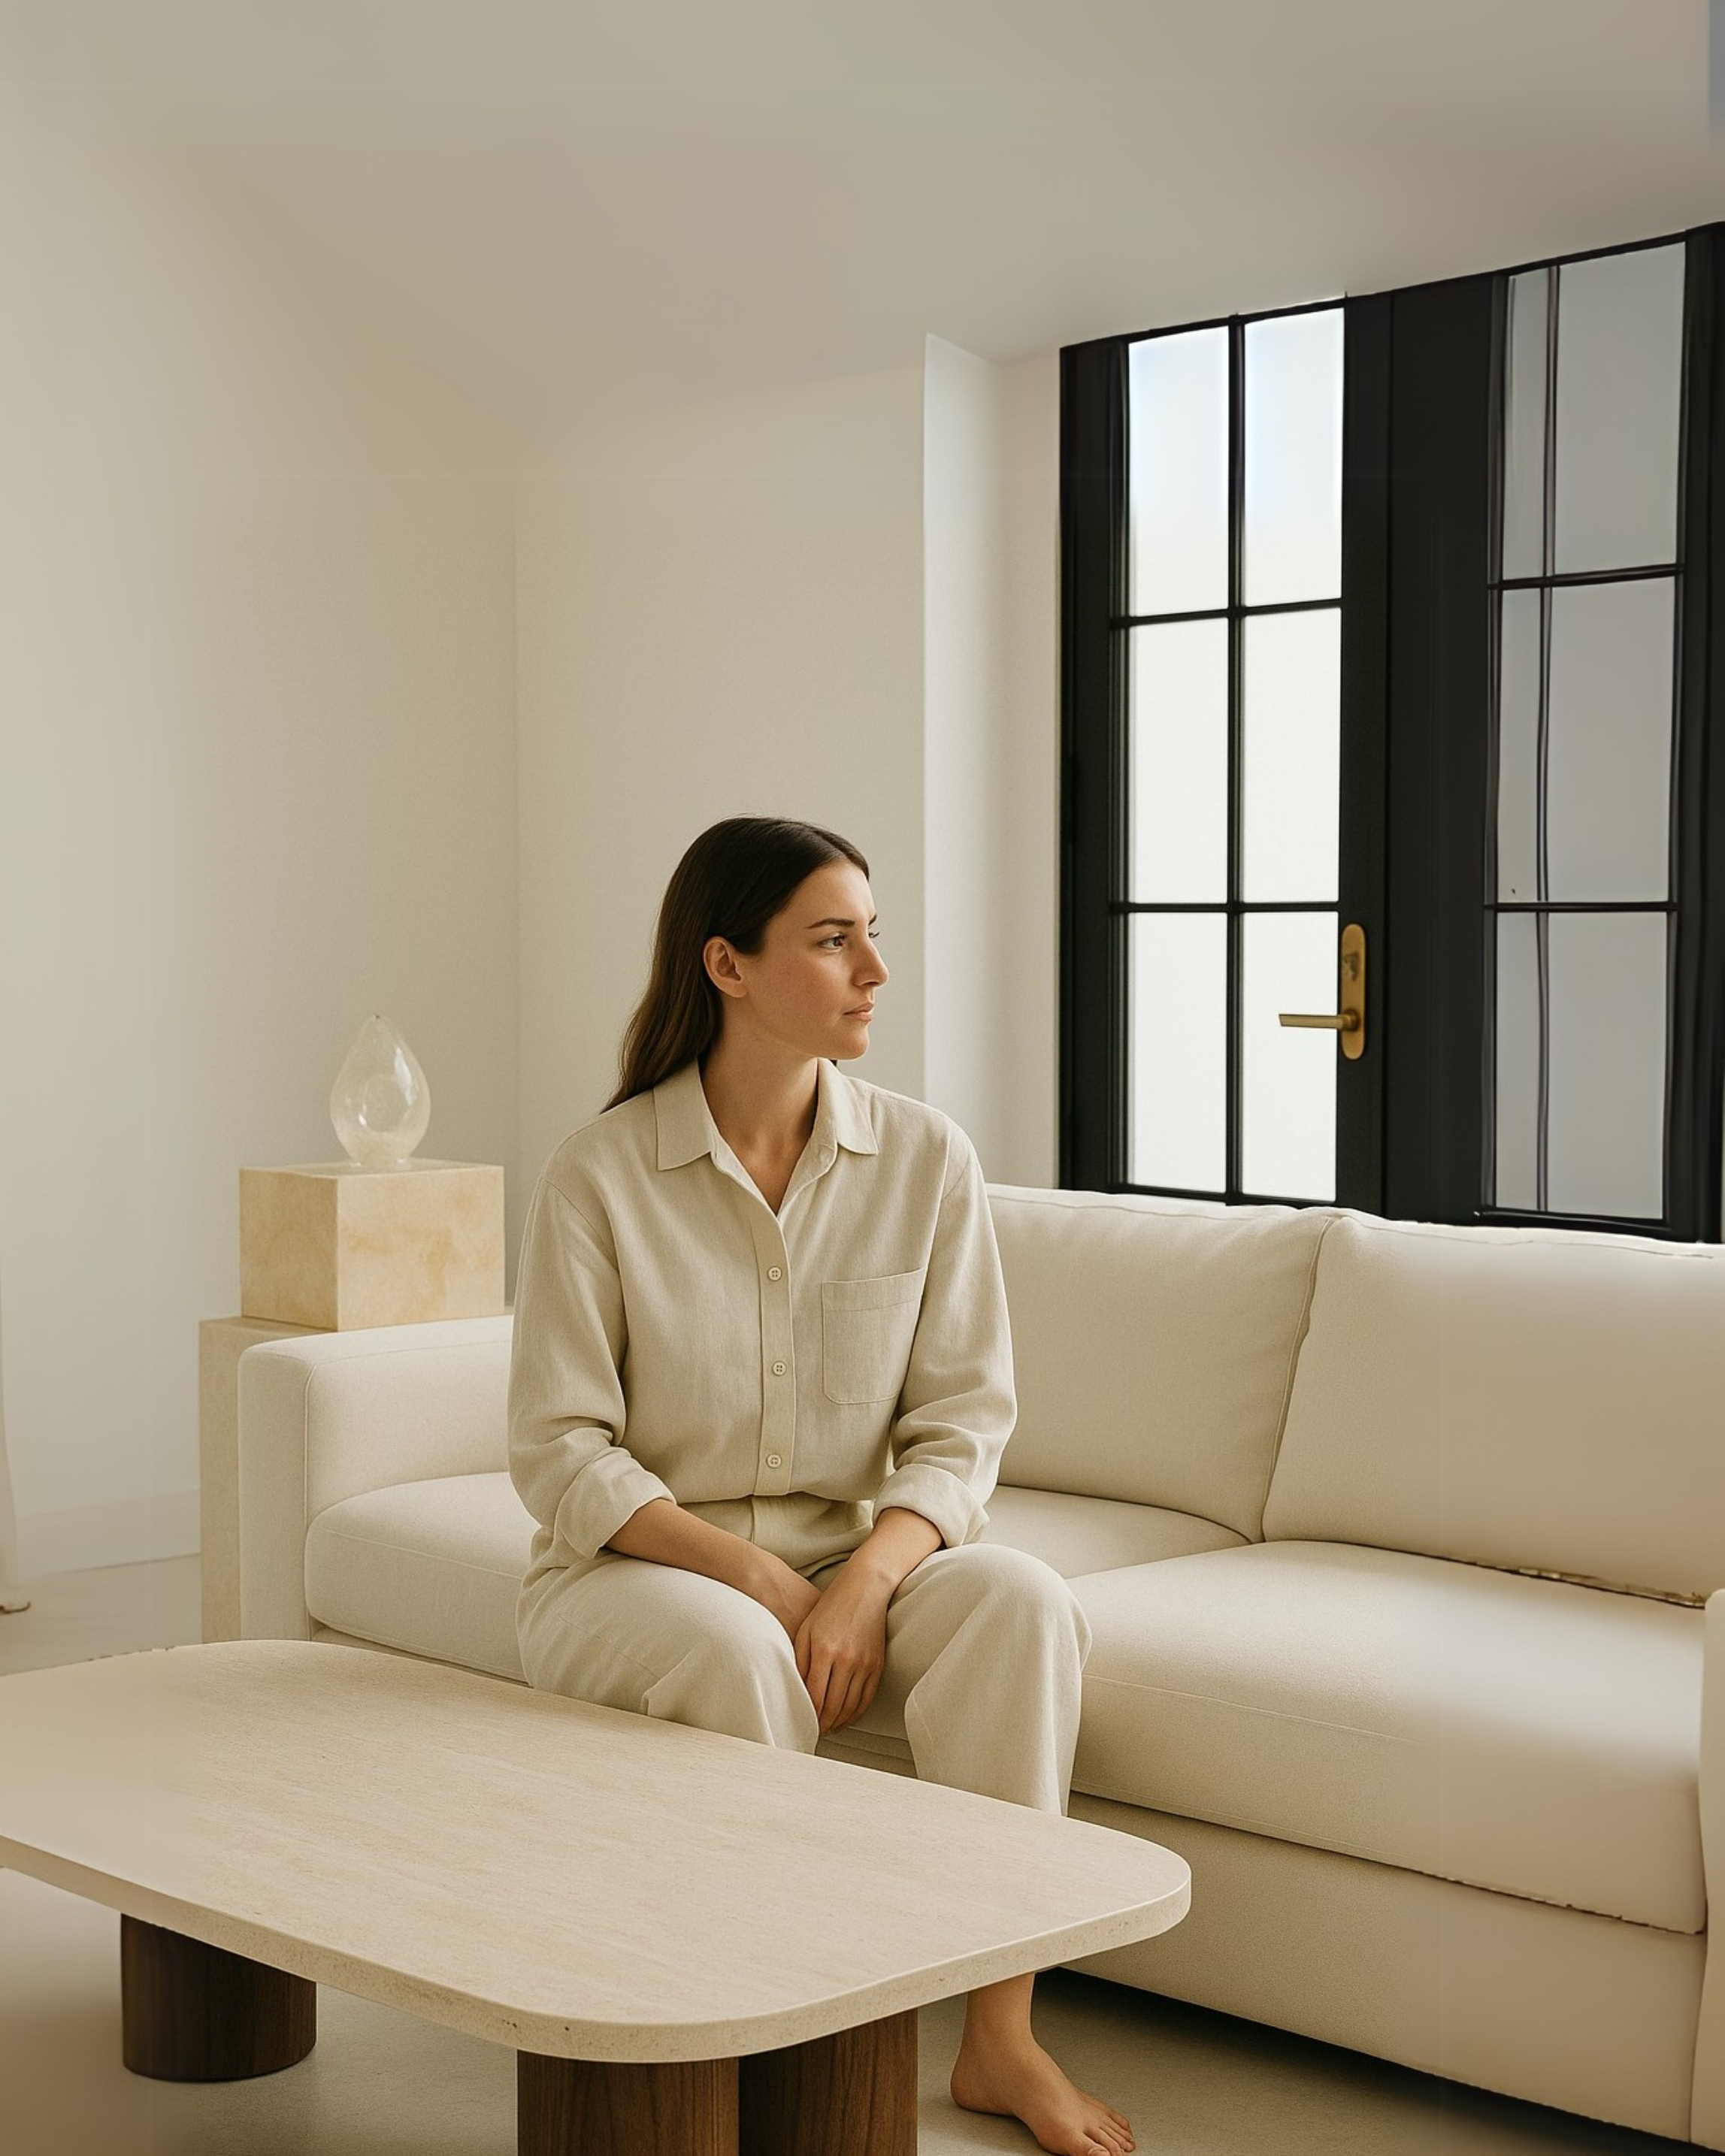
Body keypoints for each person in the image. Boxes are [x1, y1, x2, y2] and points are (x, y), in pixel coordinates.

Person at [508, 815, 1133, 2156]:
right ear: (726, 966)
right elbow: (560, 1449)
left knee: (1020, 1602)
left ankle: (1001, 2037)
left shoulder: (925, 1161)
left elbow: (963, 1422)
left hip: (859, 1564)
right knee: (741, 1648)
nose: (875, 971)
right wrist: (757, 1575)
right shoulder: (600, 1175)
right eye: (834, 939)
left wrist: (862, 1583)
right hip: (640, 1576)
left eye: (872, 934)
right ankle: (773, 2021)